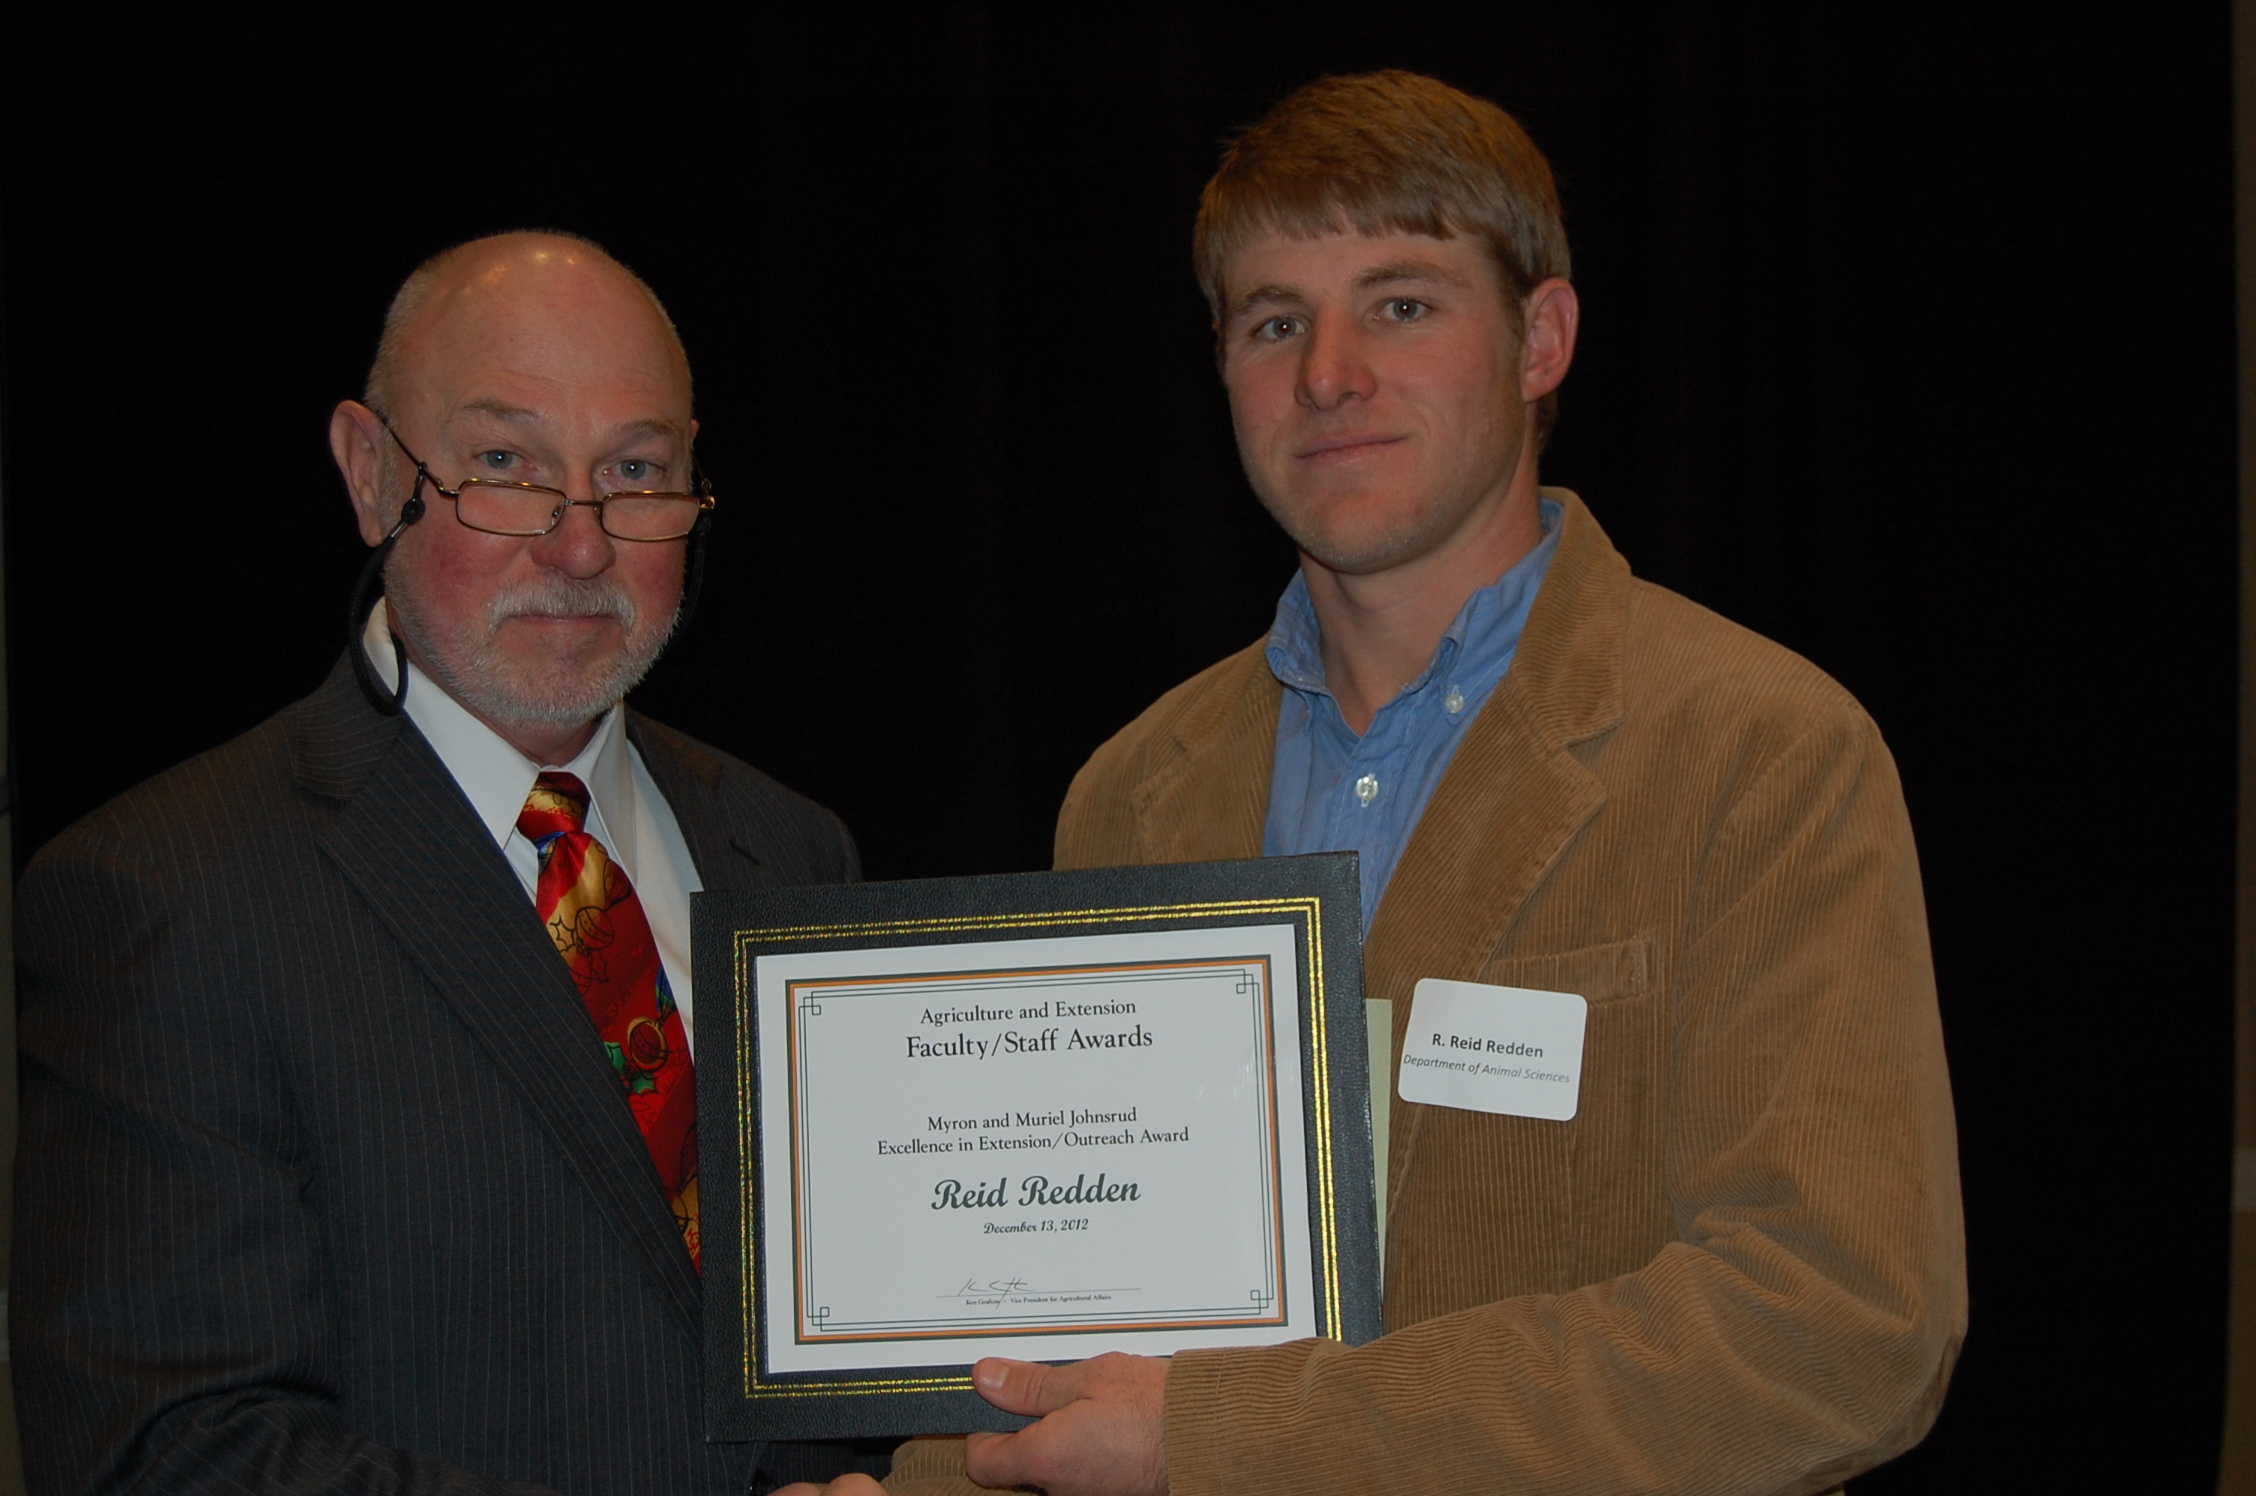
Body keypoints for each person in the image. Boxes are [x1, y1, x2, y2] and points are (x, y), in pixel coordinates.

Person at [877, 70, 1966, 1496]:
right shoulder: (1136, 793)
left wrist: (1240, 1440)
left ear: (1541, 339)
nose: (1327, 373)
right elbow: (1071, 1310)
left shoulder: (1761, 753)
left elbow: (1839, 1327)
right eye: (1275, 322)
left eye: (1401, 303)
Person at [13, 232, 892, 1494]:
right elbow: (165, 1450)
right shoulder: (166, 888)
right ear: (373, 475)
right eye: (504, 467)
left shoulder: (795, 848)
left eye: (635, 472)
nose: (580, 546)